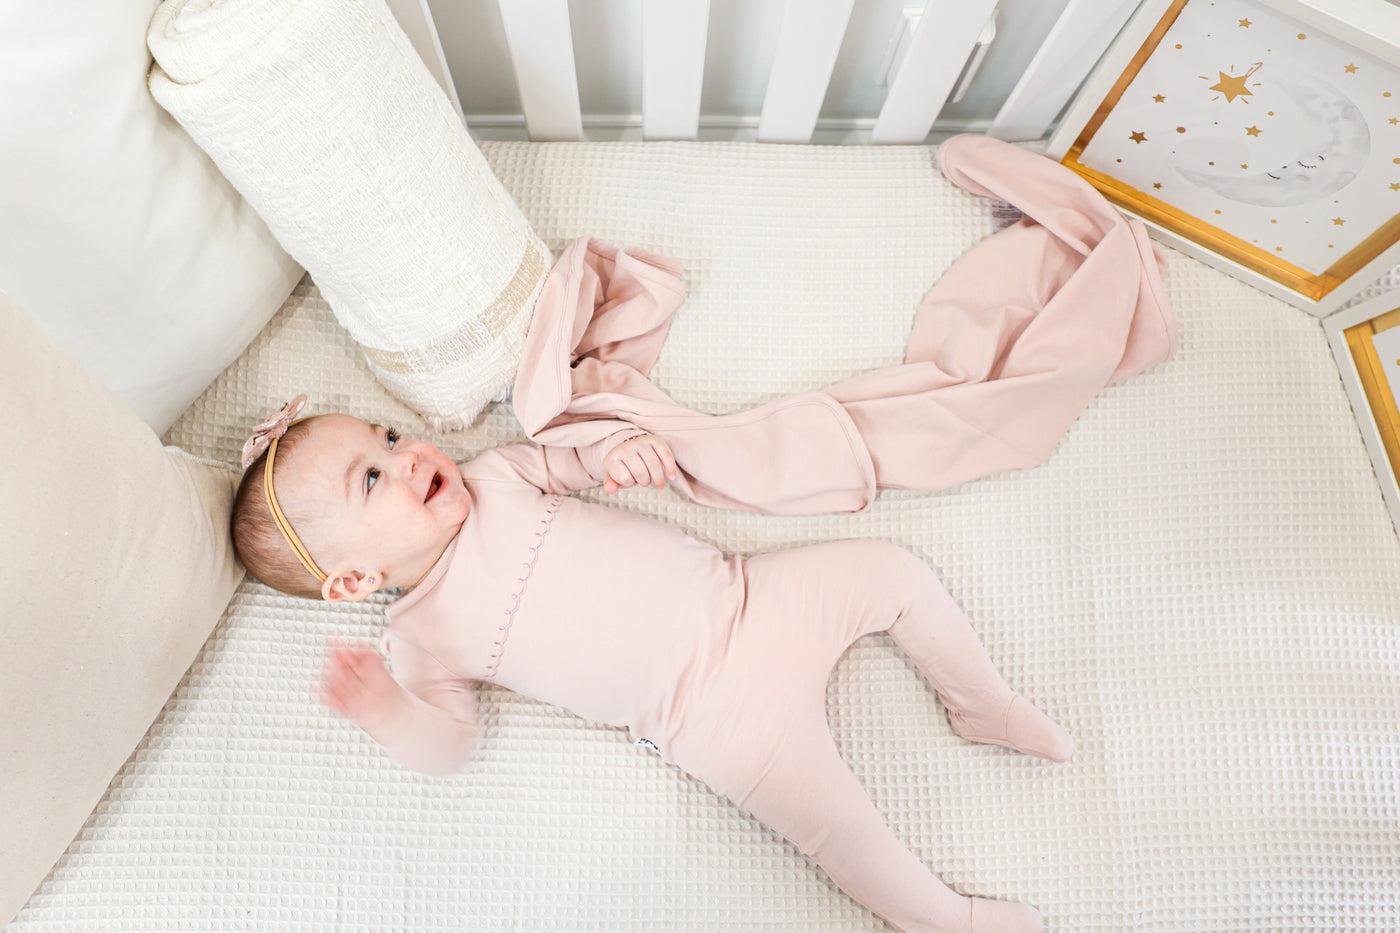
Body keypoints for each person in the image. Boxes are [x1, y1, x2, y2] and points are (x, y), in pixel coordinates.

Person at [231, 394, 1074, 933]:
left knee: (894, 572)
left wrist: (613, 456)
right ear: (354, 581)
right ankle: (943, 918)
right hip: (713, 720)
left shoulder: (496, 475)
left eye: (389, 433)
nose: (410, 452)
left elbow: (572, 459)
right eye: (373, 477)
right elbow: (449, 746)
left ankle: (982, 702)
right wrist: (388, 713)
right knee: (841, 833)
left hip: (750, 598)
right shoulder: (423, 636)